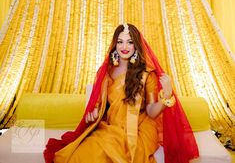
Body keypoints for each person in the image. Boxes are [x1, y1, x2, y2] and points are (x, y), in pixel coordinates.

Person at [44, 23, 199, 163]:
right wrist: (94, 113)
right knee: (80, 155)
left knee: (110, 152)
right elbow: (102, 105)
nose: (125, 46)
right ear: (114, 44)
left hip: (139, 128)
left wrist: (166, 96)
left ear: (136, 45)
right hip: (112, 126)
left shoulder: (146, 74)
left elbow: (152, 112)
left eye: (130, 42)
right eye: (120, 41)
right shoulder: (107, 72)